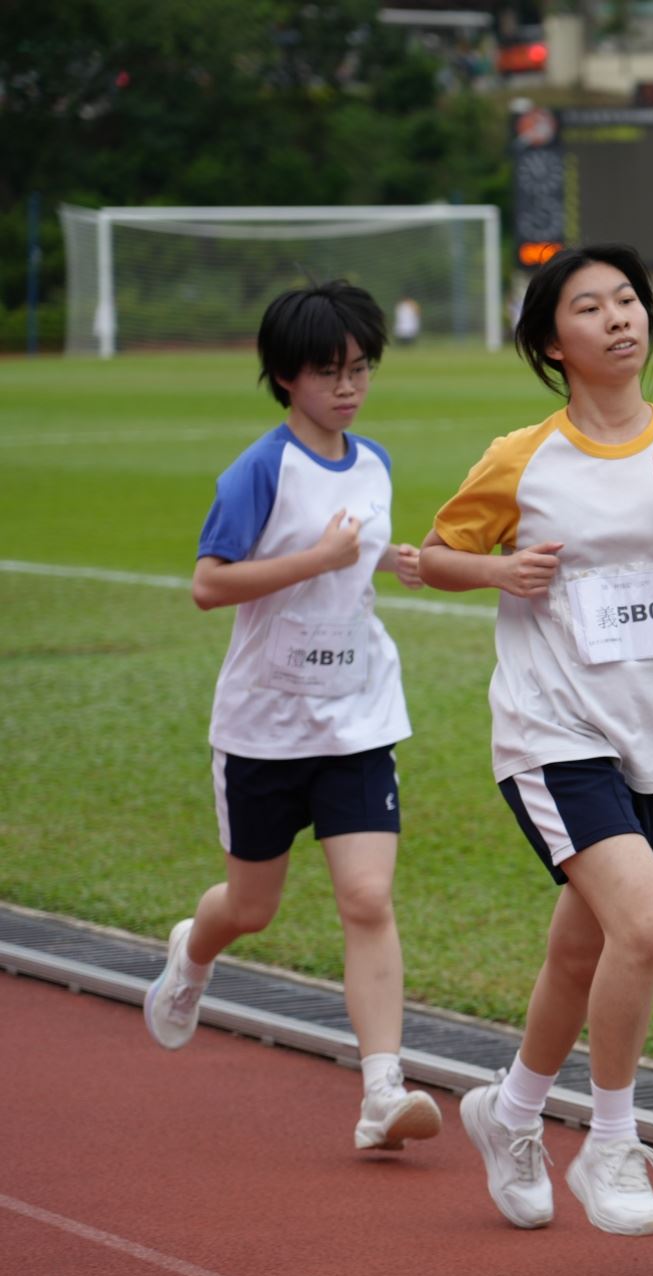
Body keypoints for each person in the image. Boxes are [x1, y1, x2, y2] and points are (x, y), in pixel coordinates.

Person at [419, 243, 653, 1236]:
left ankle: (510, 1111)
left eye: (628, 300)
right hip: (553, 727)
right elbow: (438, 556)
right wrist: (500, 571)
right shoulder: (522, 456)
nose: (618, 318)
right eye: (589, 307)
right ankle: (610, 1142)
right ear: (550, 344)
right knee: (643, 924)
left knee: (584, 948)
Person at [144, 281, 439, 1154]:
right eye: (328, 372)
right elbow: (209, 585)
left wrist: (392, 562)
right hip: (264, 728)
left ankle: (382, 1091)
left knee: (367, 897)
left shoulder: (375, 461)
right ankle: (194, 951)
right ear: (284, 376)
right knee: (251, 906)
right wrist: (319, 558)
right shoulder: (259, 470)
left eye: (361, 369)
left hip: (359, 716)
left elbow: (356, 559)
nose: (348, 387)